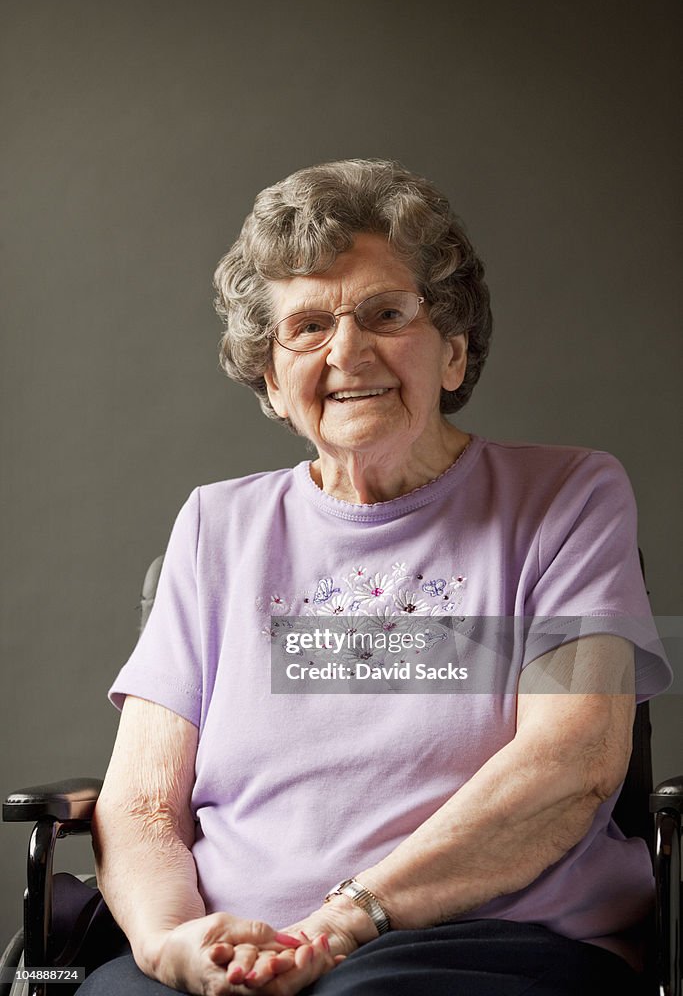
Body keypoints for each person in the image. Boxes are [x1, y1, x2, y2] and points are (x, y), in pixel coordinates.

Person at [80, 159, 671, 996]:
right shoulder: (217, 525)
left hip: (478, 939)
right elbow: (140, 806)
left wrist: (350, 917)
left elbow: (570, 764)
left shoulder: (566, 497)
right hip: (233, 947)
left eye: (386, 314)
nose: (348, 351)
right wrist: (169, 941)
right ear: (275, 383)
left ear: (454, 353)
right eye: (307, 327)